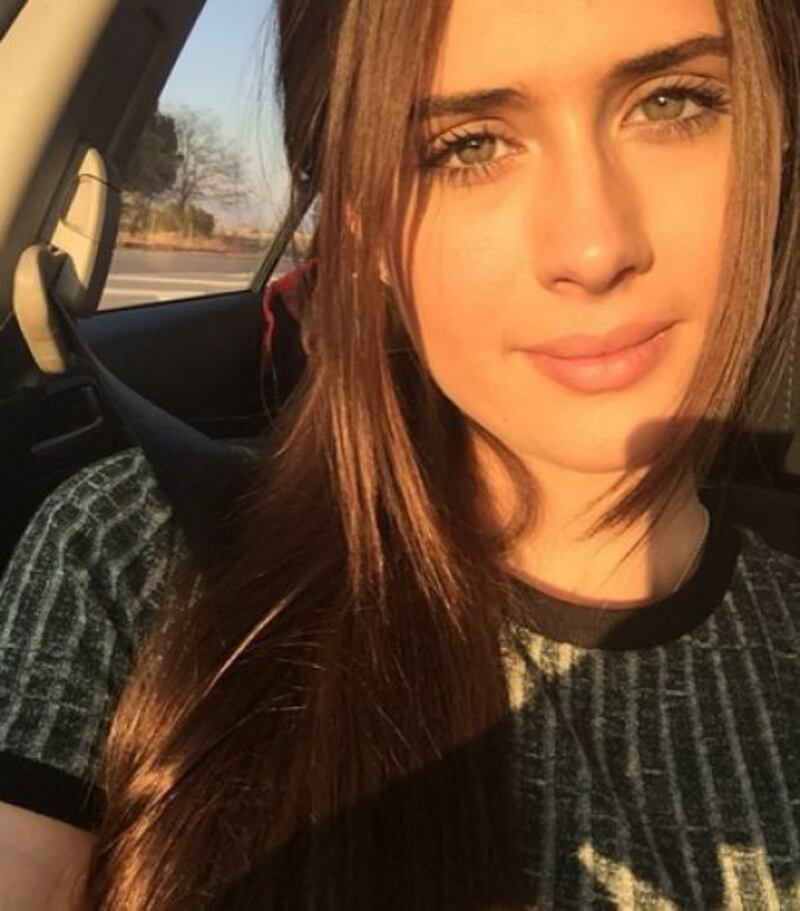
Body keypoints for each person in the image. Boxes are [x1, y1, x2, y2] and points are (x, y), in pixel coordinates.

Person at [1, 0, 799, 907]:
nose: (593, 247)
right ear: (364, 230)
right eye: (467, 146)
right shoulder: (139, 558)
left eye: (672, 101)